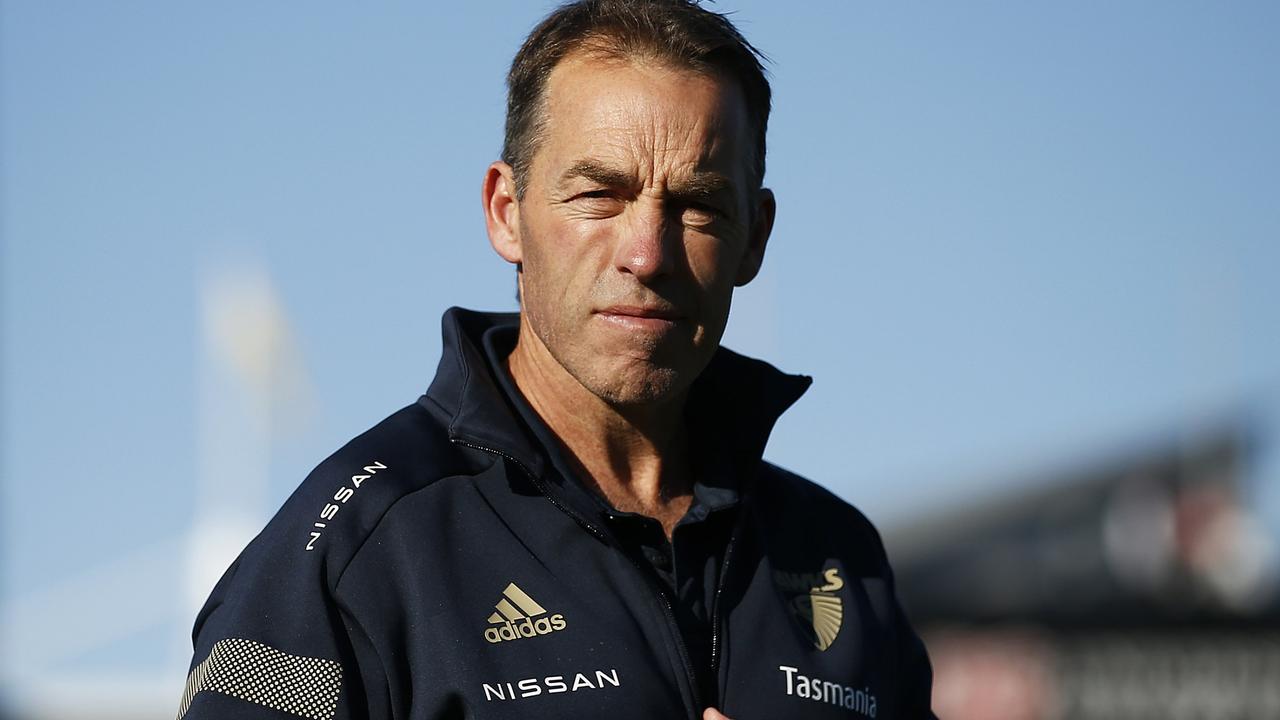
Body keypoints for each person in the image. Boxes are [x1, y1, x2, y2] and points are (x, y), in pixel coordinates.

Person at [177, 1, 936, 718]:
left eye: (699, 206)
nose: (647, 254)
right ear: (507, 213)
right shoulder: (352, 551)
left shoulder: (838, 554)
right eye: (599, 196)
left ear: (755, 236)